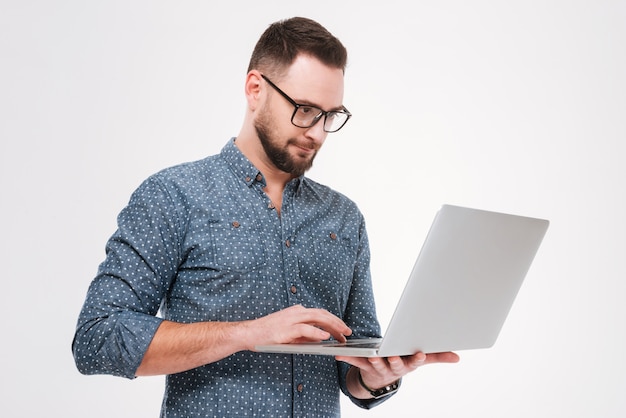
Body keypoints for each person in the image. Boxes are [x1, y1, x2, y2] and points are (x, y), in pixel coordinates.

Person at [72, 16, 459, 417]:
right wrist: (248, 334)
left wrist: (377, 378)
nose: (318, 133)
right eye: (305, 109)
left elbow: (354, 364)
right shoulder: (173, 196)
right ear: (255, 89)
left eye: (330, 115)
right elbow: (98, 338)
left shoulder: (344, 218)